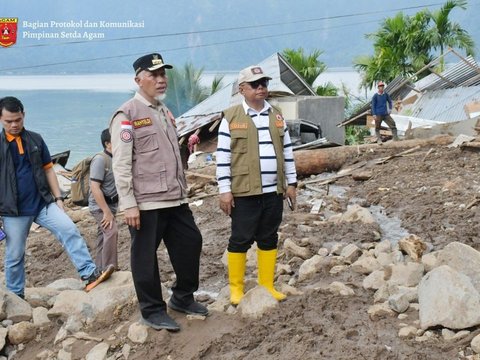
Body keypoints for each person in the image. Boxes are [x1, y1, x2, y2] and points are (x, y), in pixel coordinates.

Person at [109, 53, 207, 332]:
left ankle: (182, 297)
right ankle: (152, 310)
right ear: (138, 79)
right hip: (145, 202)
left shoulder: (163, 111)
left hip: (175, 197)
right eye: (154, 75)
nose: (161, 79)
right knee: (144, 257)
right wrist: (128, 204)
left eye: (163, 74)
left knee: (191, 243)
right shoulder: (126, 114)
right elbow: (121, 163)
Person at [0, 96, 114, 299]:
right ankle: (16, 295)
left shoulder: (35, 139)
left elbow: (49, 170)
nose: (14, 124)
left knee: (69, 230)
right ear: (1, 119)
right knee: (14, 254)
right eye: (9, 121)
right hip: (13, 210)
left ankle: (89, 274)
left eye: (18, 119)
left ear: (24, 115)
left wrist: (59, 199)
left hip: (43, 203)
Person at [216, 65, 298, 305]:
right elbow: (223, 157)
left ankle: (267, 286)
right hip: (244, 191)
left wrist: (291, 183)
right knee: (240, 238)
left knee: (269, 237)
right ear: (242, 89)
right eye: (255, 84)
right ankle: (236, 289)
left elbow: (288, 151)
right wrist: (224, 191)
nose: (261, 87)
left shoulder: (277, 115)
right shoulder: (231, 117)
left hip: (274, 191)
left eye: (264, 83)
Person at [88, 129, 119, 271]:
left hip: (111, 205)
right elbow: (95, 187)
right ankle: (109, 267)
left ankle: (99, 268)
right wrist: (106, 211)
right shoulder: (100, 159)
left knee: (103, 235)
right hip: (99, 205)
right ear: (108, 144)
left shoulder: (117, 158)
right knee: (112, 231)